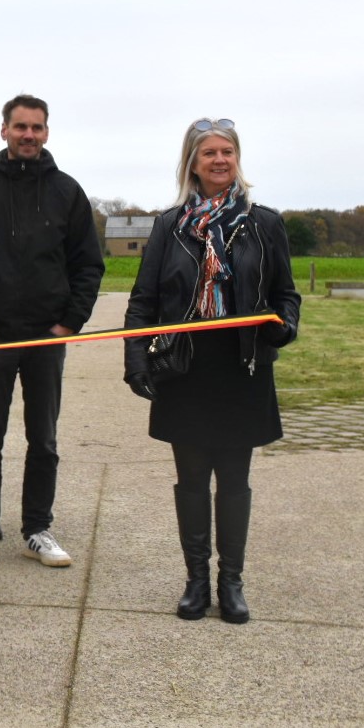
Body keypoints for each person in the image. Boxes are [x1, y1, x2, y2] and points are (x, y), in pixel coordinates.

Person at [123, 118, 300, 625]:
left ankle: (232, 582)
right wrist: (137, 360)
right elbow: (144, 300)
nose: (220, 161)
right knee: (192, 479)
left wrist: (283, 325)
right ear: (192, 164)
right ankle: (196, 580)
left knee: (236, 480)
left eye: (227, 152)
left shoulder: (264, 223)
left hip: (242, 367)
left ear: (237, 159)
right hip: (187, 369)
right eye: (209, 154)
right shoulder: (169, 225)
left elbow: (287, 294)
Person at [0, 95, 104, 570]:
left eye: (37, 127)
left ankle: (37, 528)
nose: (28, 135)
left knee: (44, 438)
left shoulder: (67, 191)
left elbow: (88, 265)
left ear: (46, 132)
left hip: (45, 336)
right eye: (20, 127)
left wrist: (68, 323)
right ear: (3, 131)